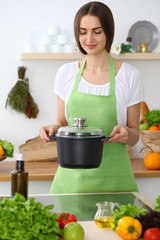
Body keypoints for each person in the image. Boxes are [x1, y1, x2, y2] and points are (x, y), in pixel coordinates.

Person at [39, 1, 144, 194]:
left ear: (108, 32)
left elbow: (135, 135)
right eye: (82, 32)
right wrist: (54, 127)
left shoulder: (130, 75)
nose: (89, 39)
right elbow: (62, 121)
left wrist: (127, 133)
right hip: (71, 184)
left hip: (115, 182)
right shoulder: (66, 73)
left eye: (97, 31)